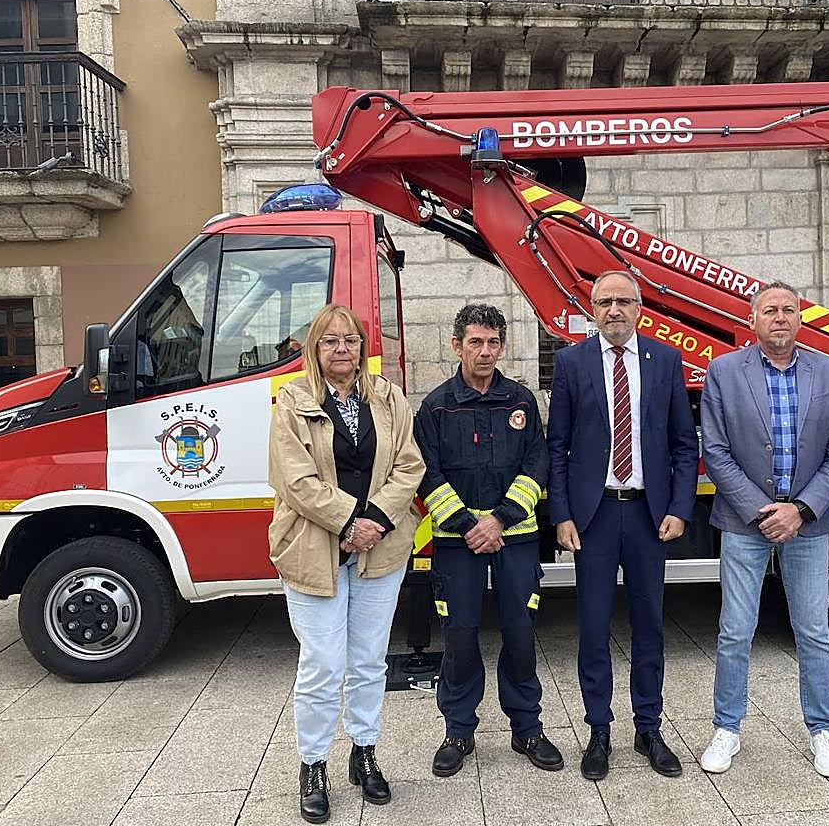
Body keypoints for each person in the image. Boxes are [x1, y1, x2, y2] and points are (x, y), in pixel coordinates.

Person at [268, 304, 426, 824]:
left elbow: (409, 464)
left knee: (368, 661)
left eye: (351, 340)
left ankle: (364, 752)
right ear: (315, 348)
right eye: (331, 340)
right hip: (315, 549)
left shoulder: (387, 397)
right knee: (321, 666)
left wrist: (375, 520)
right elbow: (294, 480)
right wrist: (349, 520)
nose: (343, 349)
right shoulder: (292, 401)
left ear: (362, 347)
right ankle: (312, 765)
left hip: (380, 547)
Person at [547, 270, 699, 781]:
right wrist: (562, 513)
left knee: (649, 624)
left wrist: (679, 506)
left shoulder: (665, 361)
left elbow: (684, 442)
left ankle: (648, 727)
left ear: (640, 308)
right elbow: (557, 447)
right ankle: (599, 729)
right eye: (604, 301)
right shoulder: (570, 362)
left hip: (646, 514)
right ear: (592, 308)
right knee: (592, 626)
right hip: (592, 517)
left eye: (624, 301)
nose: (614, 309)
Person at [698, 280, 829, 777]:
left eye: (789, 310)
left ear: (801, 319)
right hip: (746, 522)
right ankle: (727, 728)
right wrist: (763, 509)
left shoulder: (828, 371)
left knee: (813, 631)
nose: (780, 317)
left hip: (807, 523)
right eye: (770, 310)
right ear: (753, 319)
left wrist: (801, 509)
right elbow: (715, 450)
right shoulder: (724, 371)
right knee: (734, 631)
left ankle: (823, 731)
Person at [413, 303, 564, 777]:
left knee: (520, 632)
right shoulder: (435, 406)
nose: (484, 351)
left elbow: (535, 466)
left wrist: (498, 520)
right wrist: (467, 526)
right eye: (474, 342)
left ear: (502, 345)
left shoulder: (520, 401)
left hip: (514, 538)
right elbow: (426, 474)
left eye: (492, 343)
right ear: (456, 345)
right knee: (458, 636)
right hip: (458, 543)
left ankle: (527, 728)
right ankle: (459, 730)